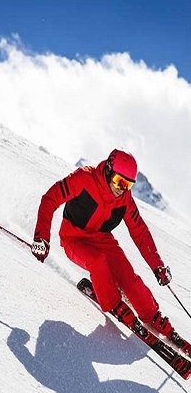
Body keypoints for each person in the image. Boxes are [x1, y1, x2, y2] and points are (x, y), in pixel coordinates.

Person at [30, 148, 189, 353]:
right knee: (97, 261)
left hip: (102, 239)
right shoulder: (83, 178)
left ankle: (152, 315)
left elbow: (139, 231)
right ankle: (114, 303)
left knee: (128, 277)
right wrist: (41, 237)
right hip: (73, 238)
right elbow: (50, 199)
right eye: (119, 182)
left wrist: (157, 266)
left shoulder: (125, 199)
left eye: (128, 185)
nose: (122, 189)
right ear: (107, 170)